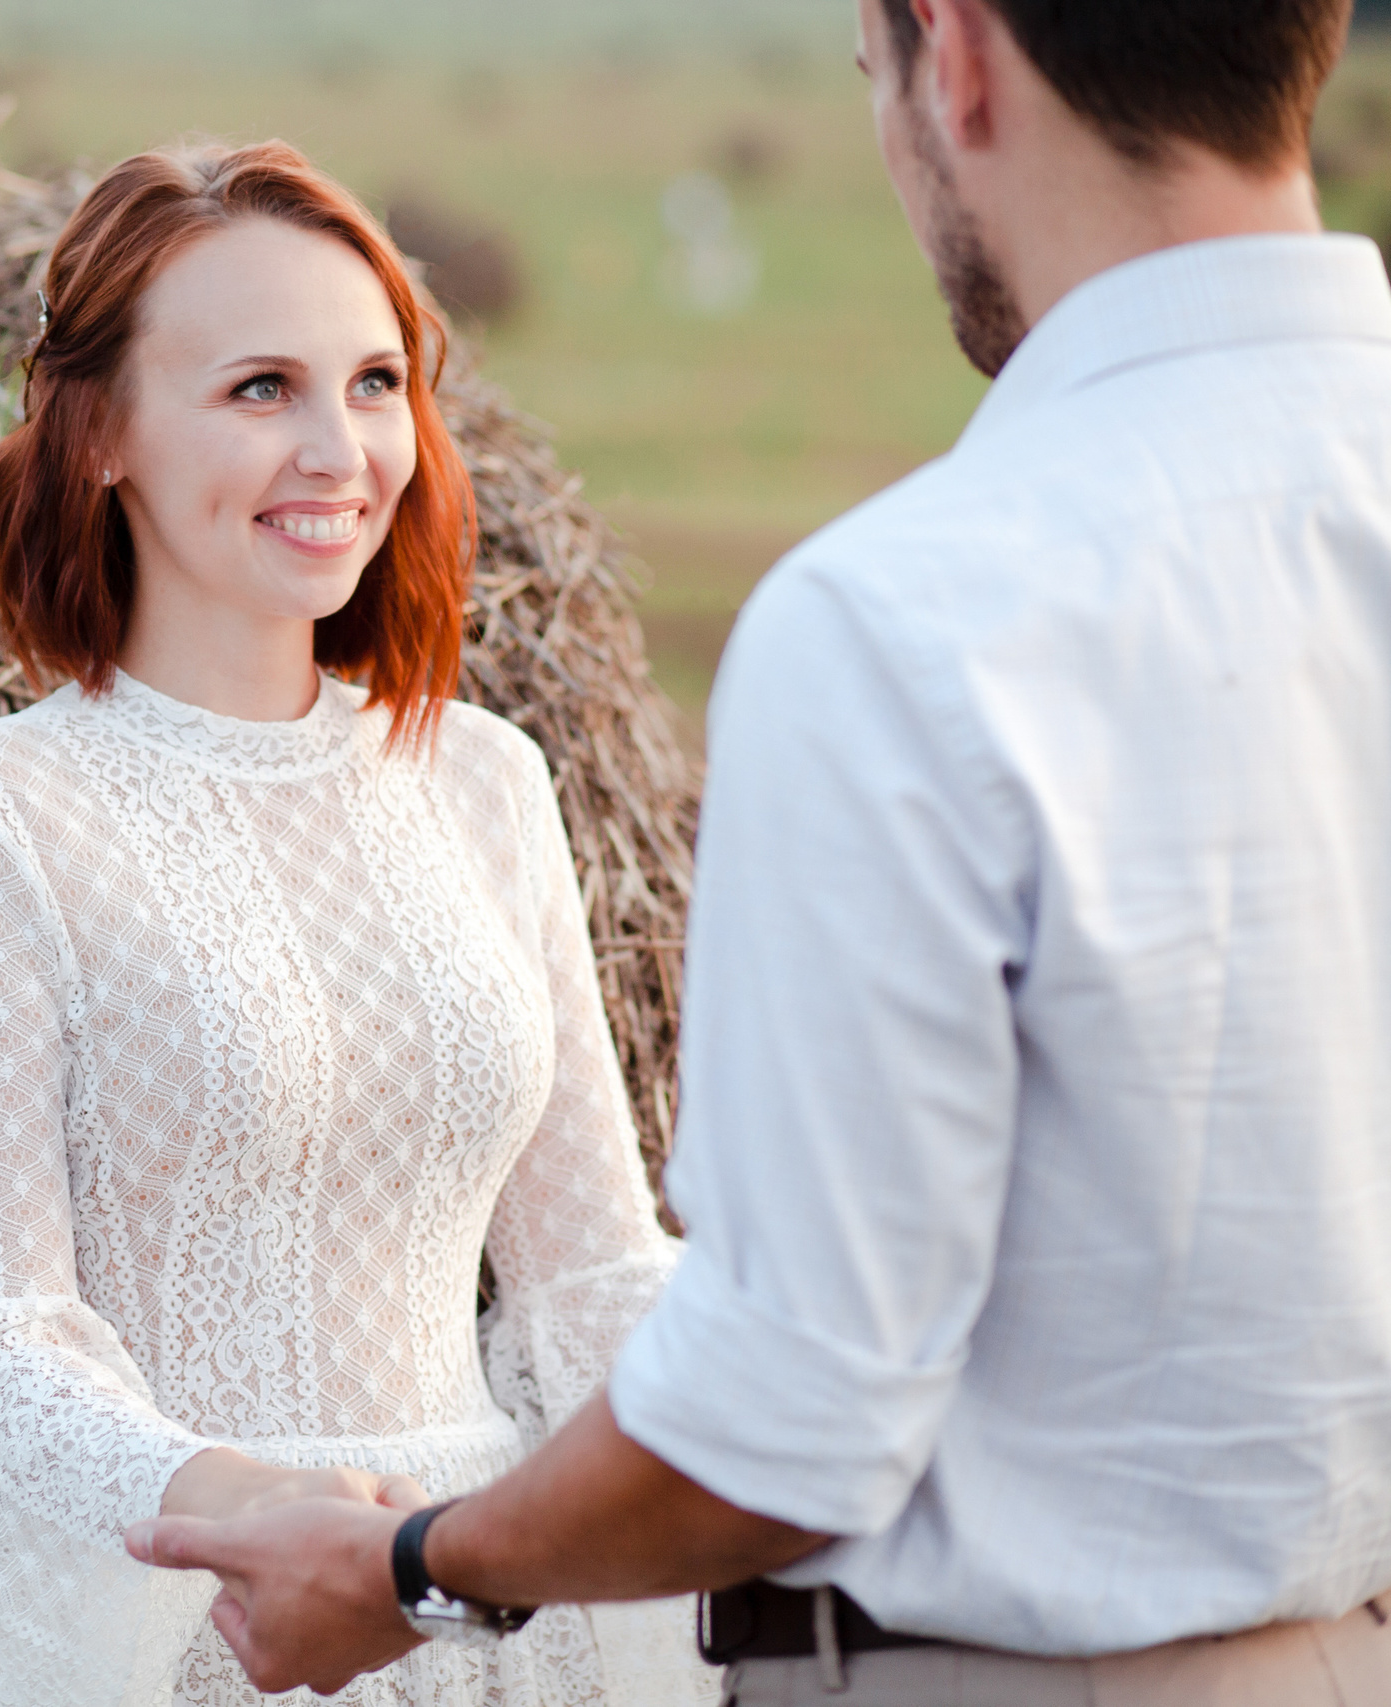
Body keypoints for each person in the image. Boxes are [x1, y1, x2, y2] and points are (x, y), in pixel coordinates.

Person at [127, 2, 1391, 1702]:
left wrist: (419, 1568)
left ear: (954, 53)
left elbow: (788, 1415)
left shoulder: (904, 624)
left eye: (873, 76)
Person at [0, 141, 717, 1707]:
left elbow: (593, 1269)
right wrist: (248, 1509)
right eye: (261, 388)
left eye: (375, 384)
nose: (339, 451)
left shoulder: (486, 780)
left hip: (472, 1608)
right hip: (183, 1613)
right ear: (102, 434)